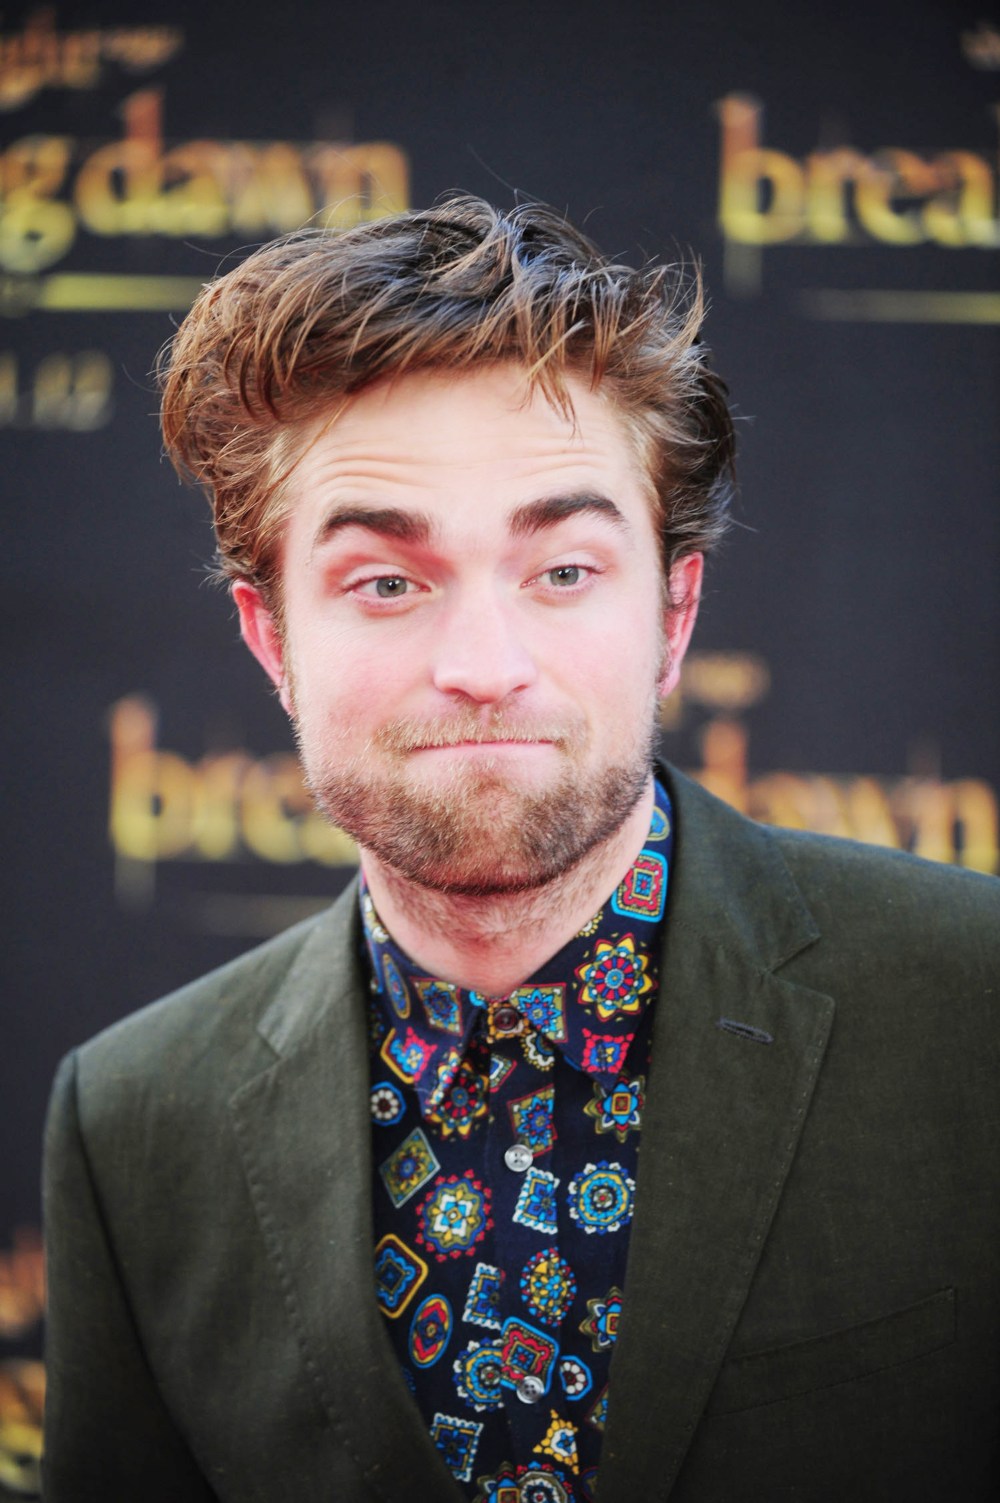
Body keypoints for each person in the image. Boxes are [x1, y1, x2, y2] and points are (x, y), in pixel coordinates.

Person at [42, 195, 999, 1503]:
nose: (483, 667)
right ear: (274, 643)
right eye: (387, 581)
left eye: (562, 571)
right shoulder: (131, 1125)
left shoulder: (974, 1011)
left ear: (673, 616)